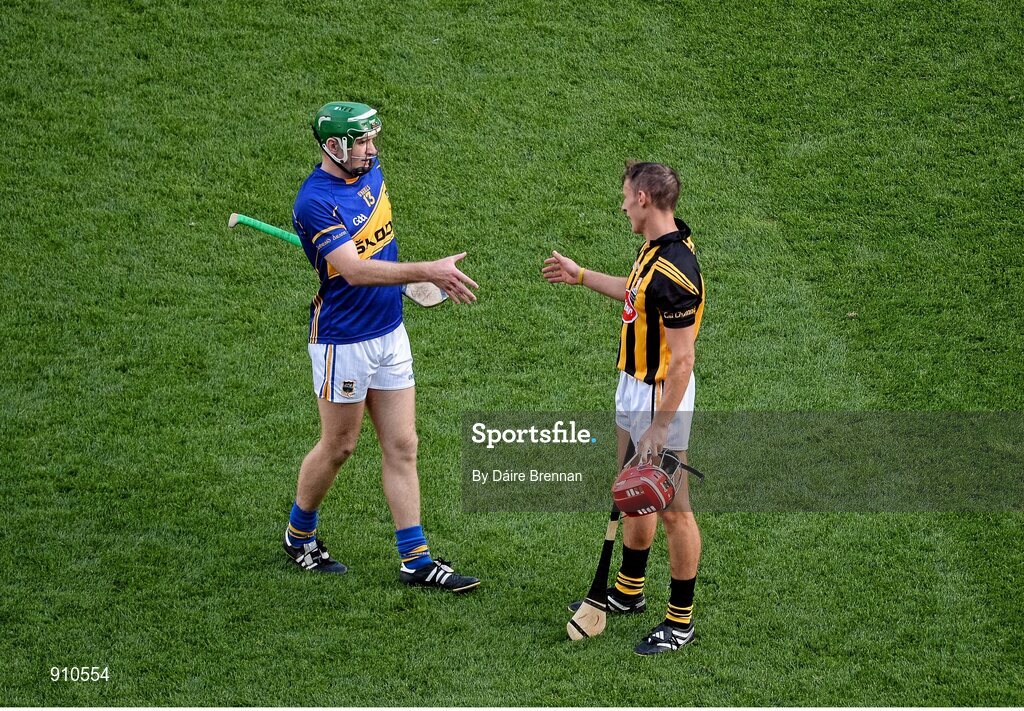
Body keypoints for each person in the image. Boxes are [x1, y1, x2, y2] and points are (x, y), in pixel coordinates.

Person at [284, 101, 480, 592]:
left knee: (403, 444)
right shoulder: (314, 202)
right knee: (340, 446)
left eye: (374, 139)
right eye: (362, 142)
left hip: (390, 331)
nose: (372, 150)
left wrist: (409, 282)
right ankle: (299, 533)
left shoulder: (370, 173)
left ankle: (416, 558)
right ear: (333, 147)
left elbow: (376, 249)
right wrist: (427, 271)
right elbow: (355, 270)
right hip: (342, 341)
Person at [543, 161, 704, 654]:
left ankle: (680, 621)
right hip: (633, 388)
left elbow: (683, 359)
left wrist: (659, 426)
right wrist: (582, 276)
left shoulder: (677, 271)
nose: (621, 204)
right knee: (633, 491)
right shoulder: (656, 249)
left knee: (674, 509)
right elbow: (634, 294)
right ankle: (629, 591)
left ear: (644, 200)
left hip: (661, 397)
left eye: (625, 196)